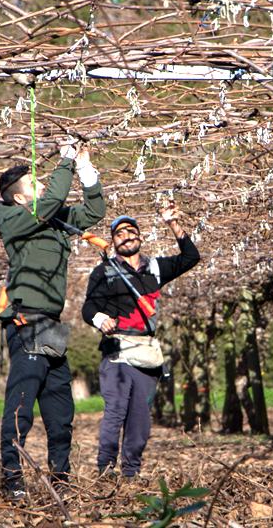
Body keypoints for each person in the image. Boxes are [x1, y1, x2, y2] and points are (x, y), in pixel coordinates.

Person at [0, 143, 106, 500]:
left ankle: (61, 480)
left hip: (50, 326)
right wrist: (65, 160)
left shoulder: (53, 219)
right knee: (21, 405)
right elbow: (52, 198)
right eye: (33, 182)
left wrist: (85, 170)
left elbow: (94, 211)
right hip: (26, 322)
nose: (41, 185)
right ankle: (13, 481)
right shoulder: (10, 218)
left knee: (60, 409)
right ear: (19, 198)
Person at [81, 204, 200, 479]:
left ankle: (131, 472)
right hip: (117, 352)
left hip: (146, 353)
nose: (126, 236)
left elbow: (191, 256)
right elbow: (88, 308)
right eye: (119, 233)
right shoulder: (104, 272)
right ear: (113, 242)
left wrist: (173, 223)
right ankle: (106, 469)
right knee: (116, 410)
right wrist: (100, 319)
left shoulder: (156, 268)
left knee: (140, 418)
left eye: (131, 231)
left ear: (140, 237)